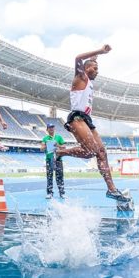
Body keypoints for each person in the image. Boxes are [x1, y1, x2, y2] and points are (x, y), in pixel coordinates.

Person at [55, 45, 130, 202]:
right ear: (86, 68)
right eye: (94, 68)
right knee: (91, 152)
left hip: (87, 120)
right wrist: (99, 52)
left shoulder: (88, 80)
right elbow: (78, 58)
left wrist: (96, 58)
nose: (97, 71)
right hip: (77, 118)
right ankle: (61, 152)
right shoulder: (81, 77)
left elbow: (89, 62)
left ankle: (112, 189)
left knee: (102, 152)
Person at [41, 123, 66, 199]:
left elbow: (64, 147)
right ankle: (49, 193)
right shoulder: (45, 138)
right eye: (49, 127)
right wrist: (47, 145)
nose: (51, 129)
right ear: (47, 129)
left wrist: (58, 145)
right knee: (49, 176)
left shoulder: (59, 137)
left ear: (54, 128)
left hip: (58, 159)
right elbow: (41, 148)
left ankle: (62, 193)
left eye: (52, 127)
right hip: (49, 159)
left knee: (60, 176)